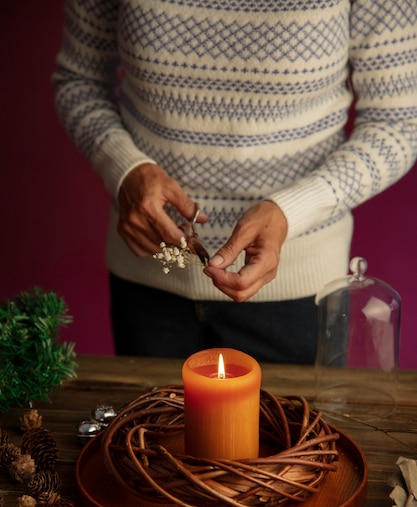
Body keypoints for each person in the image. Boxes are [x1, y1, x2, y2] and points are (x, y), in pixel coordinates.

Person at [53, 1, 417, 363]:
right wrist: (126, 169)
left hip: (298, 296)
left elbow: (400, 122)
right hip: (147, 284)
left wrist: (290, 210)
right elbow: (79, 82)